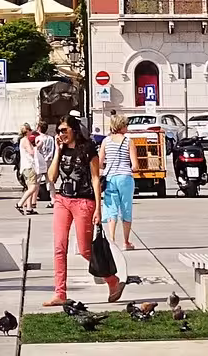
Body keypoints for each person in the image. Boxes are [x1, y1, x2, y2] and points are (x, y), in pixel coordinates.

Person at [45, 115, 124, 306]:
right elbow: (51, 177)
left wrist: (98, 208)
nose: (61, 134)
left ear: (74, 130)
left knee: (86, 250)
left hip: (83, 202)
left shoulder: (88, 149)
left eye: (64, 130)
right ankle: (60, 293)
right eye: (58, 131)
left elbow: (96, 179)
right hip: (63, 200)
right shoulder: (61, 149)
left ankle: (113, 281)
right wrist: (57, 150)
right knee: (59, 247)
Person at [100, 114, 137, 251]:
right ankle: (126, 242)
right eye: (126, 125)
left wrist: (105, 169)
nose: (127, 127)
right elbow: (135, 165)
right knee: (126, 208)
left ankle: (112, 239)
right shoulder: (128, 142)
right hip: (125, 178)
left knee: (111, 209)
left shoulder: (106, 141)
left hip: (110, 178)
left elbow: (100, 162)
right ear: (121, 126)